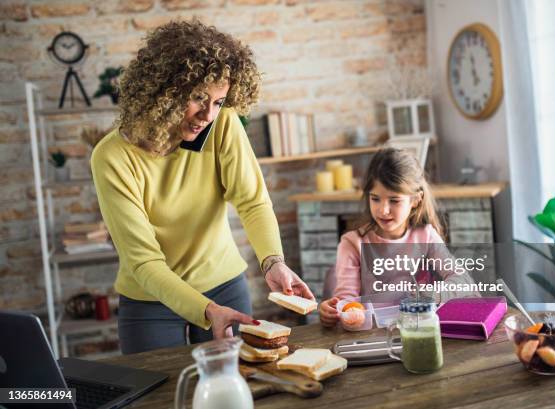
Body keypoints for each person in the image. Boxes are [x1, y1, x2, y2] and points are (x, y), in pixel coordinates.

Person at [91, 20, 313, 354]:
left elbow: (252, 201)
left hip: (224, 288)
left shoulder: (222, 124)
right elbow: (144, 262)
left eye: (219, 101)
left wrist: (273, 262)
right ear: (162, 91)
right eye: (197, 98)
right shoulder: (112, 156)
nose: (207, 114)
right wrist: (205, 311)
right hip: (150, 303)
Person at [318, 148, 477, 327]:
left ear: (415, 200)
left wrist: (431, 294)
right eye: (375, 199)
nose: (383, 210)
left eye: (394, 200)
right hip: (375, 334)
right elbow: (347, 300)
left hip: (421, 328)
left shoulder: (426, 237)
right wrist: (338, 311)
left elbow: (464, 281)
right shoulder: (352, 243)